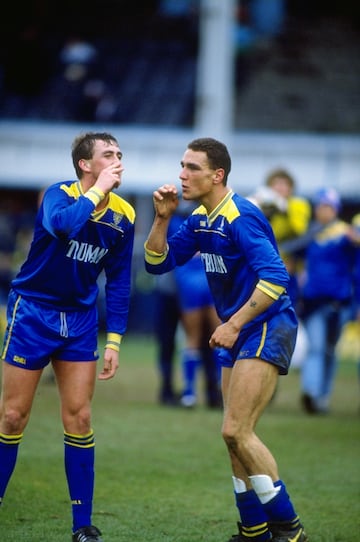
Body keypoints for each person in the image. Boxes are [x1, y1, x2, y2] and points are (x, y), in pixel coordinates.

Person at [144, 137, 308, 542]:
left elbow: (275, 278)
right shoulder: (200, 219)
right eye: (182, 166)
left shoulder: (241, 216)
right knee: (232, 434)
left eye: (192, 168)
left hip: (267, 324)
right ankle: (253, 529)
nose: (182, 175)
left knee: (237, 431)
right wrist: (162, 219)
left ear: (217, 175)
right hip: (238, 329)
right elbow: (157, 263)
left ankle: (289, 528)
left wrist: (233, 325)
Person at [0, 132, 136, 542]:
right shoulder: (58, 195)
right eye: (107, 155)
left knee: (79, 418)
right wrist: (97, 193)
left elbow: (120, 280)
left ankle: (83, 526)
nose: (117, 161)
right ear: (85, 165)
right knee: (12, 416)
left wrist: (113, 340)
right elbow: (64, 226)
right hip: (33, 312)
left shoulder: (125, 215)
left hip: (78, 319)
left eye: (119, 155)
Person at [282, 188, 357, 415]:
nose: (322, 211)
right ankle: (312, 393)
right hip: (314, 301)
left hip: (340, 301)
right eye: (320, 206)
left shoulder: (345, 234)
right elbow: (291, 256)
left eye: (327, 206)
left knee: (330, 350)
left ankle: (322, 396)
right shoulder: (311, 234)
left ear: (335, 209)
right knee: (316, 347)